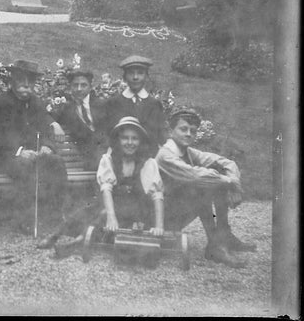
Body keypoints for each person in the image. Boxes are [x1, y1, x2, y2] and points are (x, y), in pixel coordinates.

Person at [37, 117, 164, 263]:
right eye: (125, 138)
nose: (130, 143)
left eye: (134, 139)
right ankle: (55, 235)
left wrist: (159, 225)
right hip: (110, 202)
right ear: (118, 140)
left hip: (134, 207)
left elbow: (157, 194)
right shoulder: (109, 159)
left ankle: (77, 242)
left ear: (140, 141)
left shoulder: (147, 162)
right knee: (86, 211)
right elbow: (106, 189)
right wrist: (112, 217)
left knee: (103, 218)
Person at [156, 107, 256, 268]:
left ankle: (224, 236)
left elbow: (227, 163)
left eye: (193, 131)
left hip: (175, 211)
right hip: (159, 218)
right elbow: (196, 176)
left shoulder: (187, 151)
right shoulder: (165, 155)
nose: (189, 134)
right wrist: (230, 182)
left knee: (218, 176)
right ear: (171, 130)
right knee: (205, 184)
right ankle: (215, 246)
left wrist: (233, 183)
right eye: (183, 129)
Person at [0, 60, 70, 235]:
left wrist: (47, 146)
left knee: (57, 162)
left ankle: (55, 215)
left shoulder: (36, 103)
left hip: (33, 154)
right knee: (25, 167)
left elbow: (45, 126)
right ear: (12, 79)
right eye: (21, 79)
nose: (26, 85)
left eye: (30, 80)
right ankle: (25, 219)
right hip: (6, 157)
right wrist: (19, 152)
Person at [104, 55, 167, 157]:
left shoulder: (155, 105)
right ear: (124, 77)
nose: (135, 77)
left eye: (140, 73)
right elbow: (109, 136)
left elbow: (161, 137)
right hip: (121, 160)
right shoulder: (114, 103)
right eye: (131, 73)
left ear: (147, 77)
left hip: (149, 159)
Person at [51, 69, 107, 171]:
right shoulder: (66, 109)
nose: (79, 89)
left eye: (83, 85)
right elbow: (46, 116)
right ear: (70, 87)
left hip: (105, 152)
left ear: (90, 86)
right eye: (75, 85)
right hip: (86, 157)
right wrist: (54, 124)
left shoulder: (103, 105)